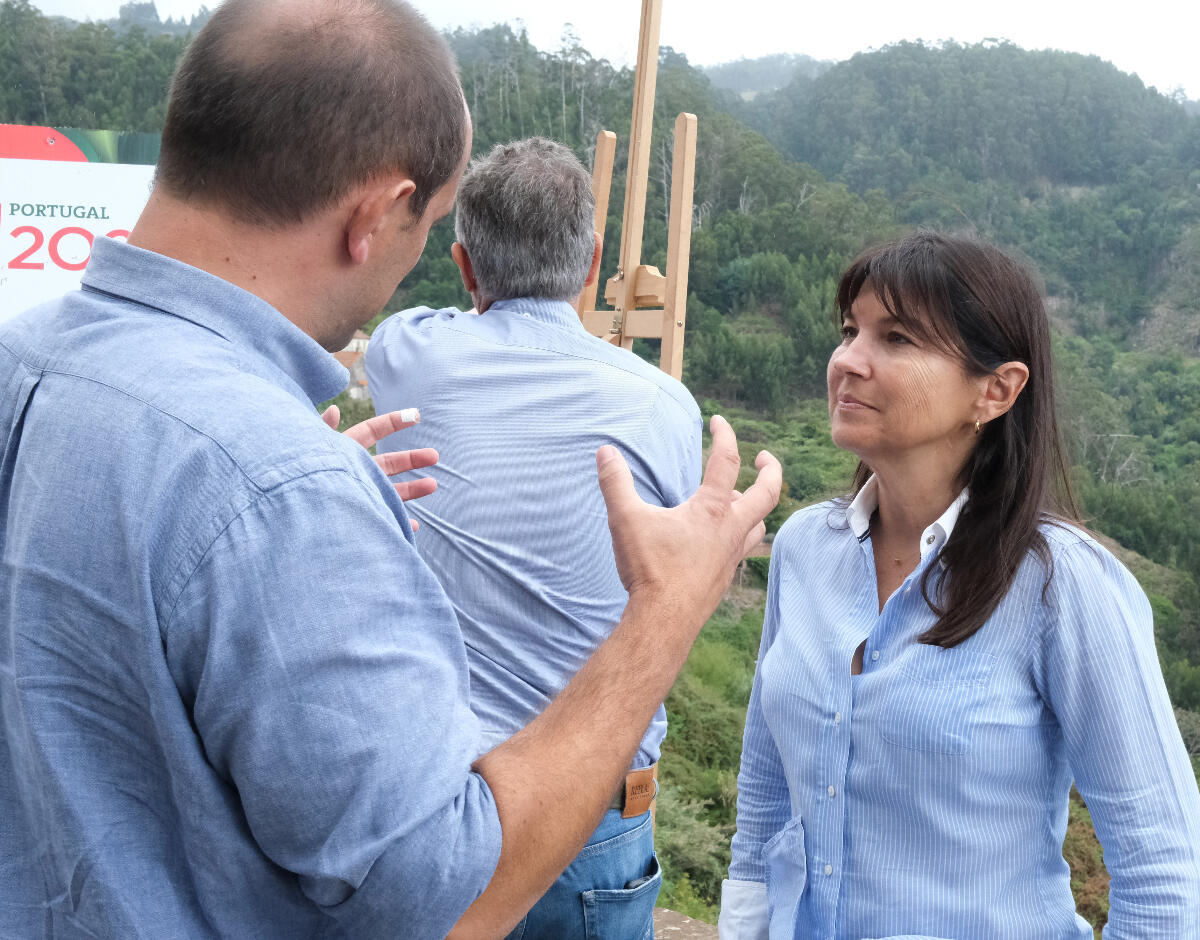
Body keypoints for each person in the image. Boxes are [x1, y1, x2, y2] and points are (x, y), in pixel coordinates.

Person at [0, 2, 782, 938]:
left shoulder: (23, 360)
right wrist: (667, 612)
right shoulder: (278, 484)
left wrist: (269, 510)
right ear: (374, 214)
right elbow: (444, 907)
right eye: (426, 220)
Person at [718, 231, 1200, 940]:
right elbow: (765, 781)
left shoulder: (1061, 585)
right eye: (849, 331)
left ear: (996, 390)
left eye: (898, 338)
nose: (848, 360)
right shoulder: (804, 551)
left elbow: (1162, 865)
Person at [365, 136, 703, 939]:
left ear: (463, 264)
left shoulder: (405, 354)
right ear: (591, 263)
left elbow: (413, 321)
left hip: (438, 799)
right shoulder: (663, 407)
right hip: (593, 808)